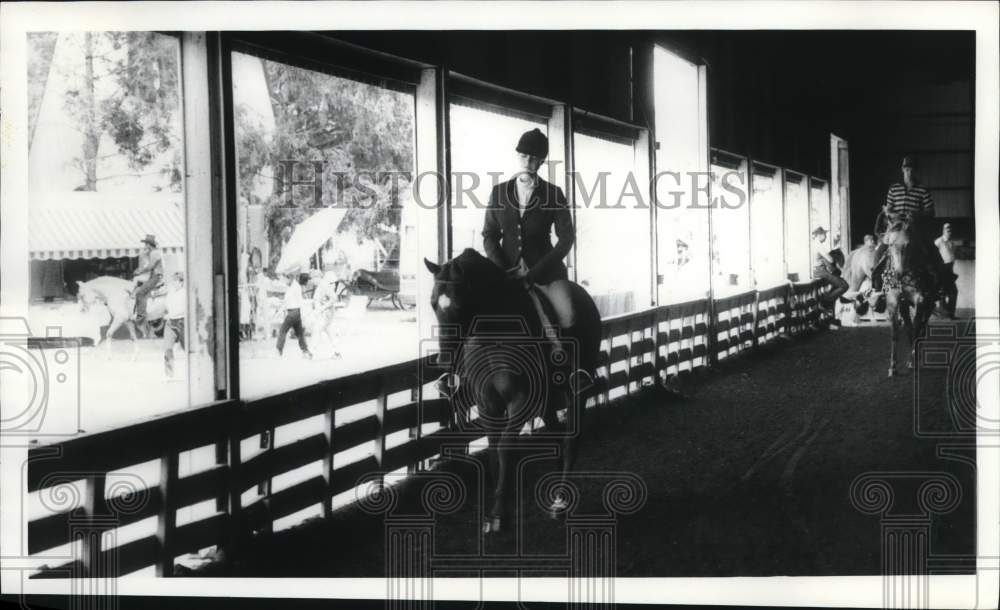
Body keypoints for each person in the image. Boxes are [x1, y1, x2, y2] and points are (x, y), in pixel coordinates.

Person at [482, 127, 586, 384]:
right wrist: (503, 268)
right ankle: (460, 373)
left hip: (546, 275)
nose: (528, 162)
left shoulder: (553, 194)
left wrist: (536, 272)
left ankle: (576, 370)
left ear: (541, 162)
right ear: (518, 156)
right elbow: (489, 235)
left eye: (534, 158)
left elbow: (566, 238)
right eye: (524, 156)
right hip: (506, 272)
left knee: (568, 311)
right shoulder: (499, 192)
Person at [871, 155, 937, 291]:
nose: (909, 172)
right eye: (907, 169)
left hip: (914, 227)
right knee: (880, 251)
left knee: (931, 249)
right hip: (895, 227)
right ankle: (877, 285)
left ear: (916, 171)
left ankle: (935, 281)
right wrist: (891, 214)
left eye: (912, 169)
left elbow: (930, 211)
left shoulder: (923, 190)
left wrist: (917, 215)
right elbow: (888, 209)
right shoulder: (894, 189)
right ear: (902, 170)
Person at [811, 227, 848, 314]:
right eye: (825, 235)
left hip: (820, 271)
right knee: (844, 286)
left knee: (838, 276)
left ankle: (831, 300)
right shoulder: (818, 245)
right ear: (819, 235)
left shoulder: (815, 244)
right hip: (821, 272)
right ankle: (825, 303)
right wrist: (832, 255)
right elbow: (830, 260)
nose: (826, 237)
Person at [276, 272, 312, 359]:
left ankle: (279, 350)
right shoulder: (295, 287)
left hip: (293, 312)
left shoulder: (294, 287)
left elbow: (295, 301)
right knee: (300, 333)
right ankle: (305, 351)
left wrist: (280, 311)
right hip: (296, 312)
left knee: (282, 331)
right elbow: (290, 301)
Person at [133, 234, 164, 322]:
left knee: (140, 293)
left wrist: (139, 271)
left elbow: (150, 266)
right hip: (153, 276)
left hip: (155, 277)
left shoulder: (155, 253)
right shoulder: (152, 252)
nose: (145, 246)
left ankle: (141, 316)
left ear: (149, 245)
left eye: (146, 244)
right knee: (137, 285)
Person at [163, 272, 186, 380]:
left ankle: (194, 371)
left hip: (183, 322)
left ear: (182, 282)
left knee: (188, 348)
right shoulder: (171, 293)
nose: (174, 283)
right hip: (170, 322)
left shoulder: (185, 293)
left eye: (177, 281)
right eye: (174, 281)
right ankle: (169, 375)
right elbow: (167, 306)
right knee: (168, 348)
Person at [934, 222, 959, 318]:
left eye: (950, 230)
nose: (949, 232)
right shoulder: (938, 241)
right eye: (947, 230)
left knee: (953, 292)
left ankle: (950, 313)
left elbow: (952, 255)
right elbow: (933, 254)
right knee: (942, 292)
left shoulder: (952, 243)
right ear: (943, 231)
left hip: (950, 269)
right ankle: (943, 313)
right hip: (941, 269)